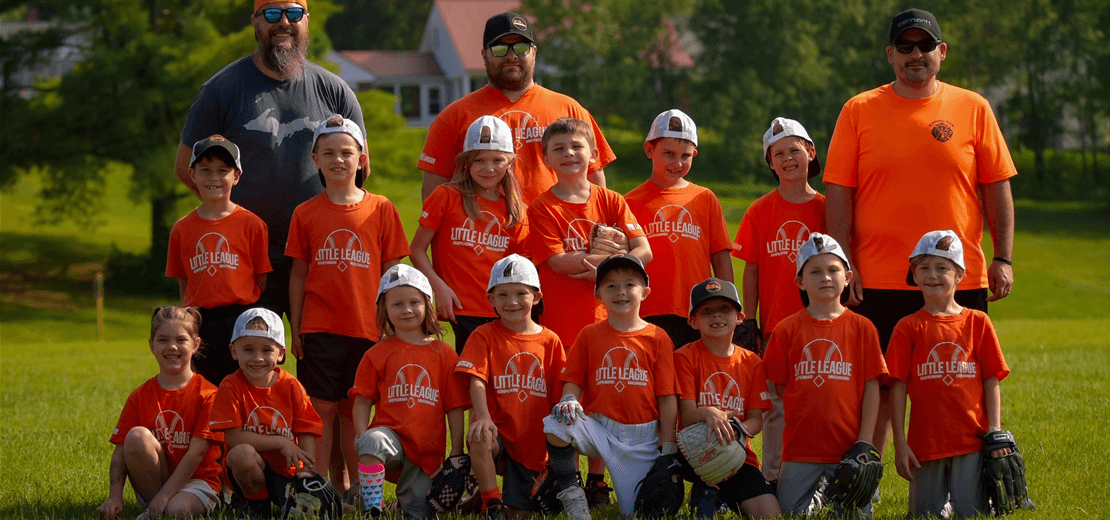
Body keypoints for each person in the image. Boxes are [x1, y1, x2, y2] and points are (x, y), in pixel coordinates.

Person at [822, 8, 1017, 465]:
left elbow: (996, 186)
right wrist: (844, 264)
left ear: (941, 52)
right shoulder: (859, 109)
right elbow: (839, 192)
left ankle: (959, 479)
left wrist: (1003, 258)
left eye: (925, 45)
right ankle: (866, 477)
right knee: (879, 386)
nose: (916, 54)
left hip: (956, 276)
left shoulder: (973, 107)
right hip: (879, 276)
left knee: (955, 383)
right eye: (905, 46)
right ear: (890, 54)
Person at [174, 0, 365, 320]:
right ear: (255, 21)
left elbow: (359, 169)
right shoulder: (222, 89)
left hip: (320, 255)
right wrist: (230, 220)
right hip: (245, 258)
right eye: (272, 14)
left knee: (319, 347)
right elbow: (185, 168)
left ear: (307, 20)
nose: (284, 22)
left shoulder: (335, 90)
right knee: (251, 349)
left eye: (294, 13)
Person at [285, 116, 410, 492]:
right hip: (319, 326)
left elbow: (393, 273)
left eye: (346, 152)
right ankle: (319, 488)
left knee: (354, 410)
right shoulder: (305, 212)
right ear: (315, 160)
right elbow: (298, 275)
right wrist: (296, 327)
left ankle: (359, 489)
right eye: (328, 153)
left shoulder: (381, 208)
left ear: (361, 158)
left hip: (367, 327)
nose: (337, 160)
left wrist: (393, 323)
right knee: (320, 410)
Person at [418, 11, 616, 202]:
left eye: (521, 47)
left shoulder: (570, 109)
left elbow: (595, 184)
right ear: (484, 55)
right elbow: (433, 195)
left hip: (556, 225)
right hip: (485, 225)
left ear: (534, 52)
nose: (511, 55)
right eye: (499, 48)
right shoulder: (453, 116)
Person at [542, 254, 677, 519]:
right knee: (556, 423)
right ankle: (572, 494)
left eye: (630, 284)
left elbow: (667, 396)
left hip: (642, 439)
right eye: (611, 286)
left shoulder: (657, 337)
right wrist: (569, 400)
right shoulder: (589, 334)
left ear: (645, 292)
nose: (620, 292)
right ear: (598, 294)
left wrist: (669, 447)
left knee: (636, 514)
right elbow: (573, 381)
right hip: (600, 430)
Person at [887, 230, 1011, 517]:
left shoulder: (977, 322)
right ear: (914, 275)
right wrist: (900, 443)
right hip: (925, 444)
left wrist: (995, 429)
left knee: (972, 513)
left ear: (959, 275)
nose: (932, 275)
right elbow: (897, 386)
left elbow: (991, 378)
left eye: (942, 267)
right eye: (924, 268)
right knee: (924, 515)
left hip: (972, 441)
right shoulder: (907, 327)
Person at [762, 234, 887, 516]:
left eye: (833, 270)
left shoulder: (863, 328)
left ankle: (825, 494)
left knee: (856, 515)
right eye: (815, 272)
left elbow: (872, 388)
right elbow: (777, 390)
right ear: (800, 282)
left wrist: (865, 441)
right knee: (789, 513)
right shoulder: (786, 329)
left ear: (848, 277)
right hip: (799, 450)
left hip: (848, 450)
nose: (826, 278)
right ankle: (818, 496)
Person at [731, 117, 826, 487]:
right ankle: (773, 476)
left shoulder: (825, 208)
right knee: (775, 406)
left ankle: (820, 477)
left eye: (794, 150)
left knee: (820, 399)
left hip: (820, 321)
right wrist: (748, 319)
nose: (788, 159)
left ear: (810, 152)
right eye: (778, 154)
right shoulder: (761, 209)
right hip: (775, 325)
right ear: (770, 163)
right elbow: (751, 269)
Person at [350, 264, 469, 518]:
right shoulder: (377, 353)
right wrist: (361, 432)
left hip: (426, 450)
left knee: (417, 514)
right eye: (397, 304)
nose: (406, 310)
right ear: (384, 310)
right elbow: (362, 399)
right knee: (371, 440)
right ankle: (373, 508)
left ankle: (399, 505)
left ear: (427, 304)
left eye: (414, 302)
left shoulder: (445, 354)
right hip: (390, 437)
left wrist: (456, 452)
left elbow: (455, 408)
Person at [455, 254, 566, 517]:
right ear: (491, 299)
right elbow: (476, 379)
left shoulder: (550, 341)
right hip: (499, 437)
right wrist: (483, 417)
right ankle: (491, 501)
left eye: (520, 293)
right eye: (502, 295)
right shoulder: (484, 335)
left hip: (533, 445)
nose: (512, 302)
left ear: (536, 297)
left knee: (520, 515)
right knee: (479, 434)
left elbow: (558, 397)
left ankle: (479, 500)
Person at [527, 117, 651, 347]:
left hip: (611, 318)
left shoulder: (612, 199)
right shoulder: (541, 207)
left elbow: (644, 251)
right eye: (559, 148)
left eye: (576, 146)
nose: (568, 153)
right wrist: (615, 261)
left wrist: (606, 267)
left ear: (593, 154)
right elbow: (558, 261)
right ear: (546, 160)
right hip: (563, 323)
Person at [411, 116, 530, 354]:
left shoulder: (516, 210)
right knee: (469, 371)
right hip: (460, 307)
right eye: (479, 160)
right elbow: (416, 250)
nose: (488, 168)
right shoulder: (446, 196)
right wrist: (438, 287)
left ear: (510, 163)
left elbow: (519, 267)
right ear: (466, 163)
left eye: (497, 160)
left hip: (501, 309)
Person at [97, 306, 223, 520]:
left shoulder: (209, 394)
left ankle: (159, 509)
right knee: (136, 436)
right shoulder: (139, 395)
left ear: (195, 344)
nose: (172, 346)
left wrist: (165, 496)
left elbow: (196, 454)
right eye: (163, 339)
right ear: (151, 345)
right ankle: (156, 507)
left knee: (178, 510)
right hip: (157, 482)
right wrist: (115, 497)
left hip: (198, 482)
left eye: (181, 340)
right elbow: (120, 451)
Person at [166, 135, 272, 386]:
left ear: (236, 176)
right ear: (192, 175)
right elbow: (184, 282)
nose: (213, 177)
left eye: (223, 170)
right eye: (205, 170)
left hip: (240, 317)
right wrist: (190, 319)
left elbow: (261, 278)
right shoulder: (182, 229)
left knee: (242, 385)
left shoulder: (252, 224)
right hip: (200, 319)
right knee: (205, 386)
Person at [625, 109, 733, 349]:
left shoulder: (704, 198)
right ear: (649, 150)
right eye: (669, 154)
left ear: (694, 154)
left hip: (697, 311)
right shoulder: (629, 202)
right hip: (644, 310)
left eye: (686, 156)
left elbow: (720, 256)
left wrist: (729, 304)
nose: (678, 163)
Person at [674, 278, 780, 519]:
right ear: (693, 321)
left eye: (725, 309)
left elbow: (756, 420)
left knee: (770, 514)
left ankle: (724, 493)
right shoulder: (684, 357)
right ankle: (703, 488)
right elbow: (687, 416)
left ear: (739, 317)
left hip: (737, 453)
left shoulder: (752, 362)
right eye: (707, 311)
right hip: (695, 453)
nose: (716, 315)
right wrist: (709, 412)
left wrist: (735, 430)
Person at [208, 307, 324, 518]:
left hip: (286, 472)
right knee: (241, 454)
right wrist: (281, 442)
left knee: (315, 509)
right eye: (248, 349)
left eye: (267, 350)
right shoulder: (230, 386)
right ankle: (257, 505)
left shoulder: (291, 385)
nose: (258, 358)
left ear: (281, 353)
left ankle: (283, 499)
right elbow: (233, 438)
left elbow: (307, 429)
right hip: (247, 470)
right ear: (234, 351)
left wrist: (307, 475)